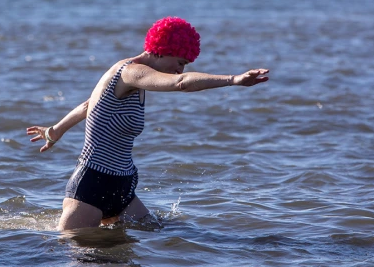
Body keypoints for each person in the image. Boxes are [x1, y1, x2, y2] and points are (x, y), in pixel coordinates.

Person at [26, 17, 269, 231]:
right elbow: (181, 83)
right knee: (70, 256)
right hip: (92, 184)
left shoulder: (136, 81)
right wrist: (233, 80)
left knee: (156, 242)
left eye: (184, 65)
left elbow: (88, 106)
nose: (179, 70)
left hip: (122, 187)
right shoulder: (130, 72)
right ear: (163, 49)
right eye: (180, 62)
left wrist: (55, 131)